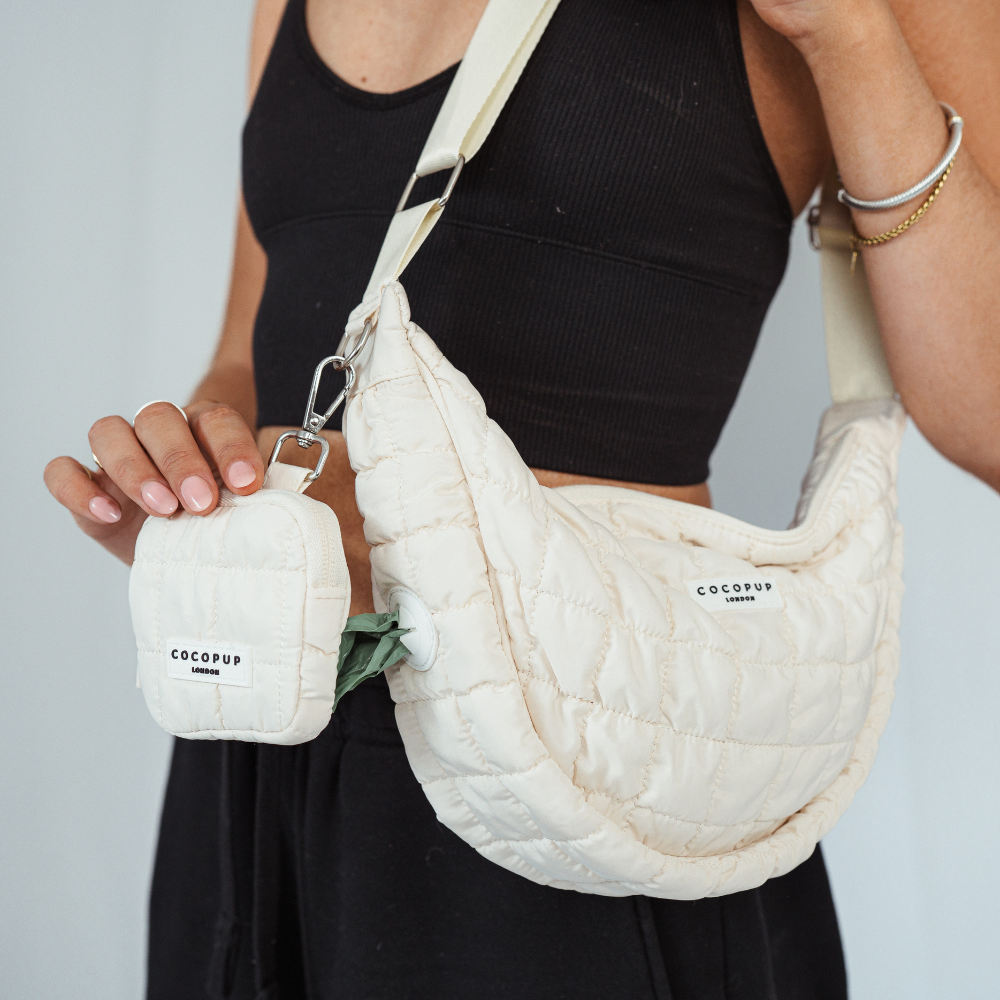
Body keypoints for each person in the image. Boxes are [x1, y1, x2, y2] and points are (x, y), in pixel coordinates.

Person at [44, 0, 1000, 997]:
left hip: (578, 763)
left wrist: (850, 32)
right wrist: (198, 486)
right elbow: (251, 353)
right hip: (266, 735)